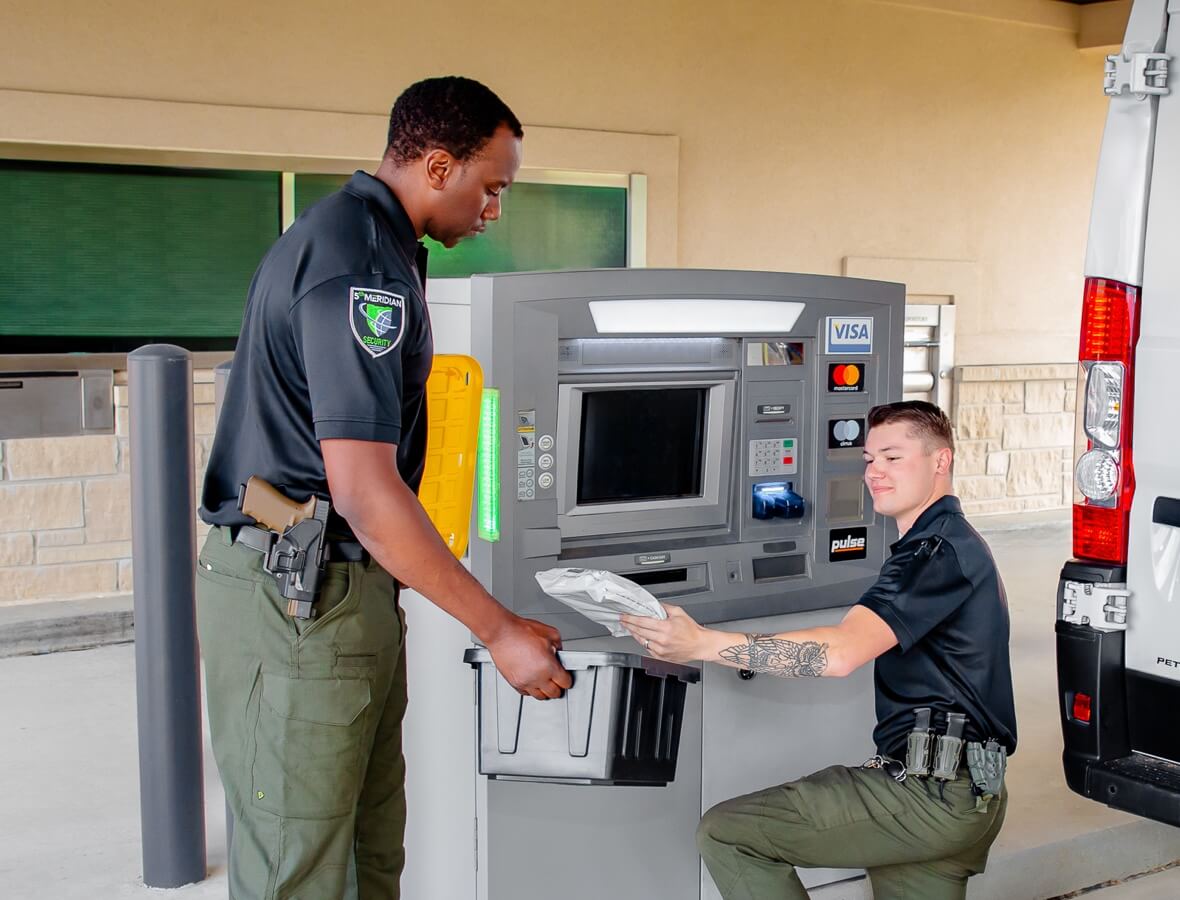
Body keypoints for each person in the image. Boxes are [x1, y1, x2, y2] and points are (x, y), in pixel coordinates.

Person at [196, 76, 571, 900]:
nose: (494, 208)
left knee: (370, 851)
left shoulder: (381, 245)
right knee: (301, 868)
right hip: (299, 596)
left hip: (333, 589)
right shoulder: (358, 266)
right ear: (439, 165)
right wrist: (497, 627)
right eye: (492, 186)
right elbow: (365, 491)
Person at [622, 400, 1017, 900]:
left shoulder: (933, 553)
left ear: (941, 462)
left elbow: (840, 653)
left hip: (927, 796)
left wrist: (702, 643)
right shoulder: (952, 544)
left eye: (893, 458)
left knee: (728, 835)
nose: (875, 472)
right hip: (970, 794)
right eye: (870, 459)